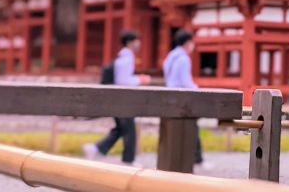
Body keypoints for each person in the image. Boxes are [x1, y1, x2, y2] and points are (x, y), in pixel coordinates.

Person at [83, 30, 151, 166]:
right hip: (122, 99)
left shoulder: (122, 57)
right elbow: (123, 80)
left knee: (121, 128)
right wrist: (140, 79)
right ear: (130, 42)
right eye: (136, 40)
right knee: (129, 130)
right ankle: (128, 160)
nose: (139, 43)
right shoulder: (127, 58)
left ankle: (96, 149)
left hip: (117, 97)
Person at [163, 29, 211, 170]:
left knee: (173, 129)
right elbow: (186, 81)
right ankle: (198, 159)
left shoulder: (170, 56)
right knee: (192, 128)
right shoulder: (183, 59)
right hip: (182, 98)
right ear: (187, 43)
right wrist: (198, 89)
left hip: (169, 95)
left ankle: (171, 157)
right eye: (192, 42)